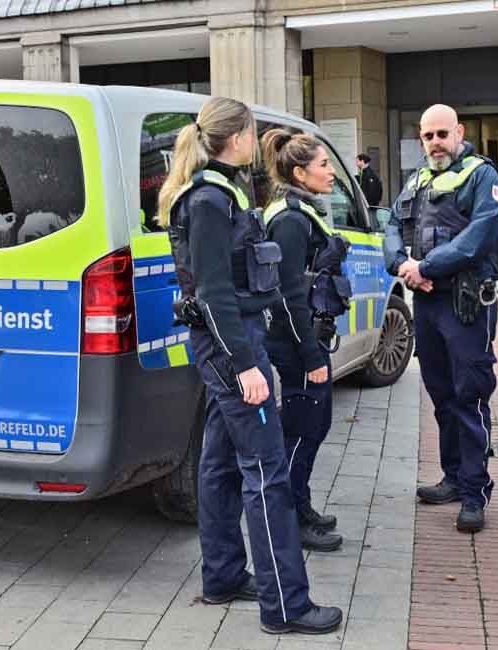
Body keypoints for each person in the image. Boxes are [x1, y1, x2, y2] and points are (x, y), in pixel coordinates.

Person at [157, 97, 342, 636]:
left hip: (224, 345)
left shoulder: (216, 193)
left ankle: (222, 575)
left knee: (217, 464)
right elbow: (215, 293)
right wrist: (246, 366)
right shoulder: (211, 200)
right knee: (267, 474)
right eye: (251, 132)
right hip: (233, 347)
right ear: (236, 137)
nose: (254, 141)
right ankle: (285, 605)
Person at [384, 104, 498, 533]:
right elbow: (393, 226)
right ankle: (452, 478)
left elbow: (478, 239)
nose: (434, 143)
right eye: (427, 136)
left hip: (465, 304)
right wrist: (400, 264)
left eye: (441, 134)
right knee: (441, 394)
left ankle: (475, 493)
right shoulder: (417, 180)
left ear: (459, 132)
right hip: (428, 302)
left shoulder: (482, 176)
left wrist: (424, 267)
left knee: (470, 395)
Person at [261, 128, 351, 553]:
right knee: (302, 429)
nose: (331, 172)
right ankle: (292, 519)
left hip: (303, 340)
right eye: (324, 165)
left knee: (313, 424)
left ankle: (302, 505)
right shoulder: (291, 221)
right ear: (300, 172)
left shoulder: (299, 212)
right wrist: (311, 353)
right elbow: (289, 295)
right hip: (297, 344)